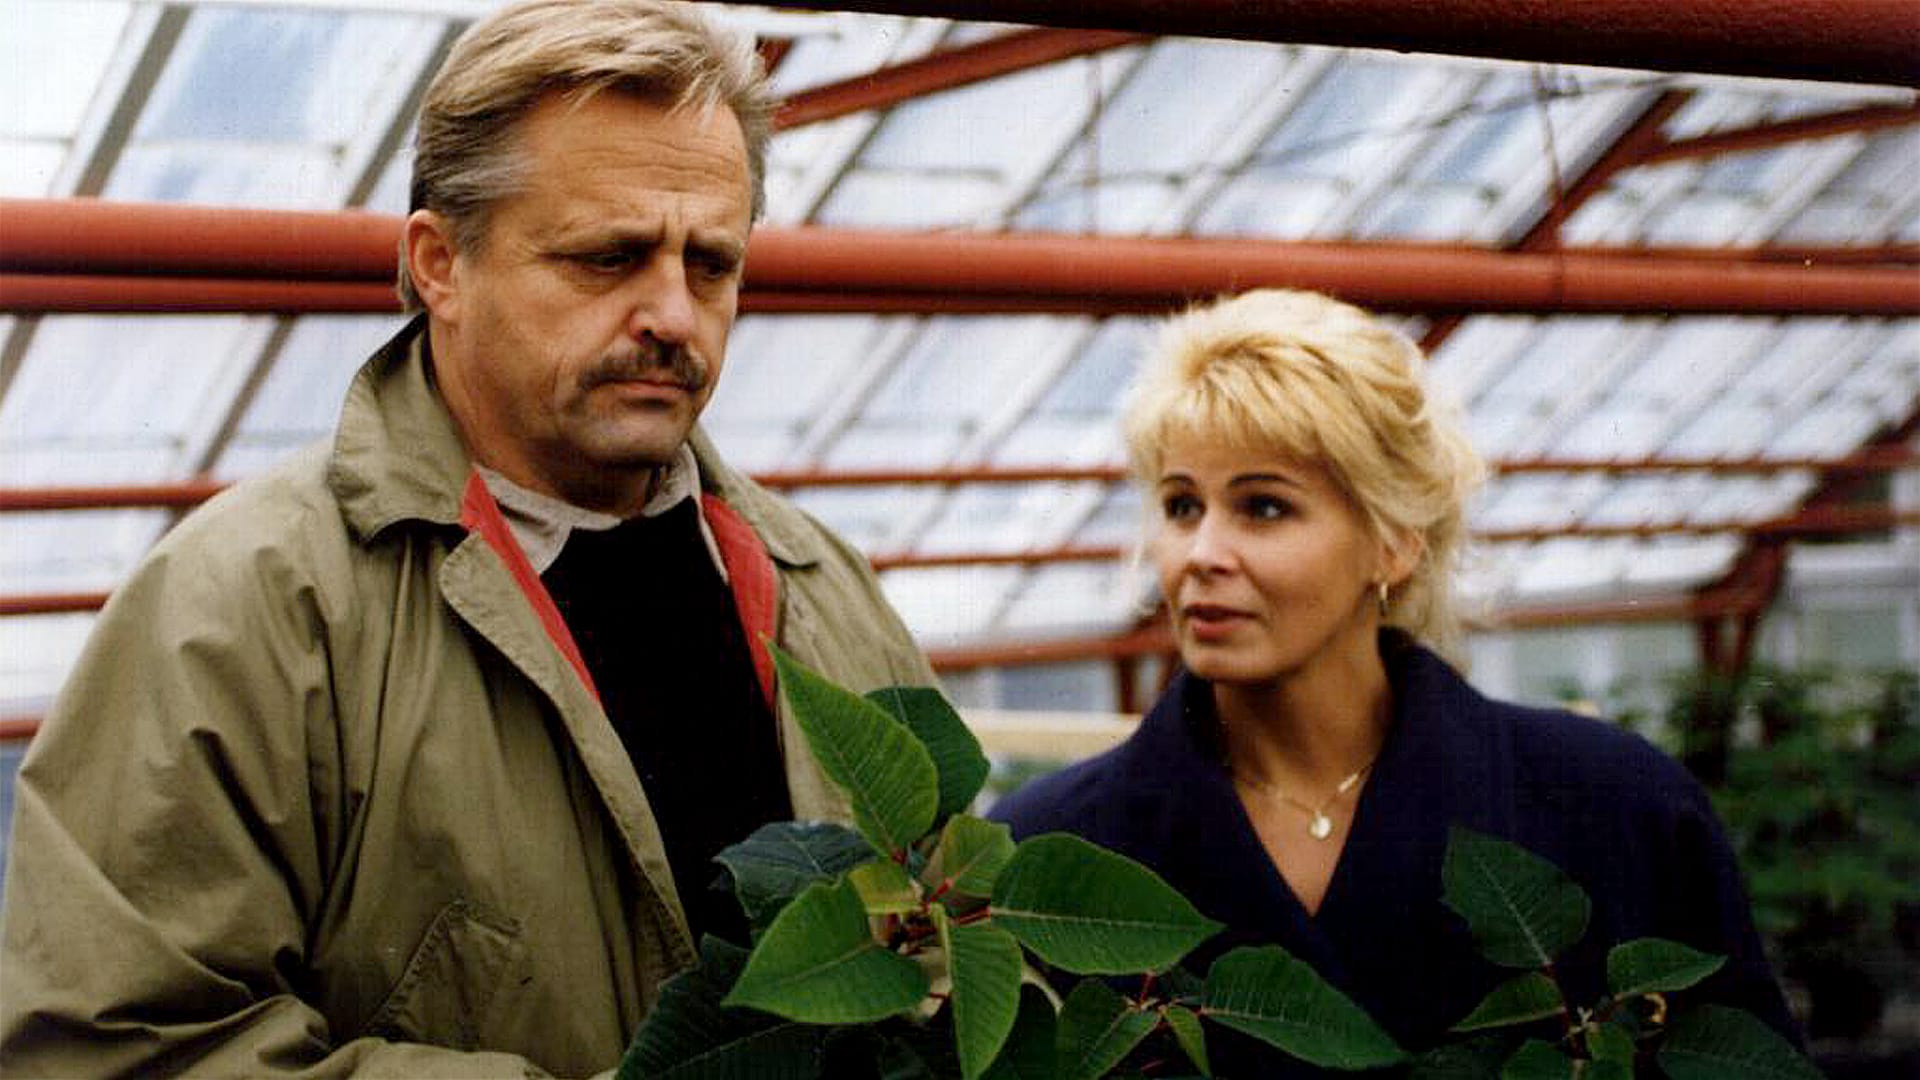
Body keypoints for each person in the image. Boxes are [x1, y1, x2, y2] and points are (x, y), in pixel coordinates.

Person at [0, 1, 934, 1074]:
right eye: (608, 257)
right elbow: (116, 1047)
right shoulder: (248, 610)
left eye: (712, 264)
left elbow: (947, 937)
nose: (674, 315)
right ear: (440, 263)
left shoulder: (819, 586)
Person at [989, 289, 1796, 1075]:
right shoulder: (1047, 850)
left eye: (1263, 507)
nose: (1201, 553)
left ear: (1395, 542)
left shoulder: (1618, 805)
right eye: (1180, 506)